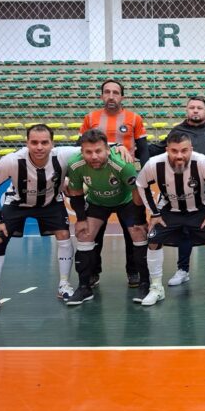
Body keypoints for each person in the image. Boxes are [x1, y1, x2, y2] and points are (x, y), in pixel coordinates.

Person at [0, 124, 79, 313]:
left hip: (51, 202)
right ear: (27, 143)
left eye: (44, 142)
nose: (39, 147)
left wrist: (117, 147)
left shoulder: (64, 155)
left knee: (64, 235)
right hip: (18, 203)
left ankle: (64, 285)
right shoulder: (11, 161)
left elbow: (93, 145)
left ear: (52, 143)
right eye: (34, 142)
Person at [136, 131, 205, 305]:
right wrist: (154, 213)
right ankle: (156, 288)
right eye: (174, 151)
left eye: (184, 150)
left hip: (200, 209)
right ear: (167, 150)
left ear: (191, 149)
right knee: (153, 241)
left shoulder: (202, 162)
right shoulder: (154, 164)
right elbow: (141, 185)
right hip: (168, 210)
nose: (179, 155)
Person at [149, 96, 205, 287]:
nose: (195, 111)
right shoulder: (178, 131)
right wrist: (134, 149)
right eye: (192, 108)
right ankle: (183, 269)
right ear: (186, 110)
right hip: (181, 186)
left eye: (199, 108)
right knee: (184, 230)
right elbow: (159, 149)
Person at [65, 129, 148, 306]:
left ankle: (145, 284)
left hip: (126, 201)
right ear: (82, 152)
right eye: (88, 152)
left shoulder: (122, 164)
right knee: (84, 234)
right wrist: (80, 220)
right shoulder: (75, 165)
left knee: (139, 235)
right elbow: (76, 193)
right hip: (97, 202)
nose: (94, 156)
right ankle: (84, 287)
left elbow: (137, 193)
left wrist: (140, 220)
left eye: (98, 151)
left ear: (107, 150)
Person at [79, 80, 149, 288]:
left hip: (126, 182)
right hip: (98, 181)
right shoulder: (90, 118)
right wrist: (115, 146)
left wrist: (143, 174)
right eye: (107, 92)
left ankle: (133, 271)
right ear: (102, 95)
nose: (111, 96)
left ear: (122, 97)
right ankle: (93, 272)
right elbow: (80, 146)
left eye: (116, 93)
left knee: (133, 230)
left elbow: (143, 149)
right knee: (95, 232)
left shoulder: (134, 118)